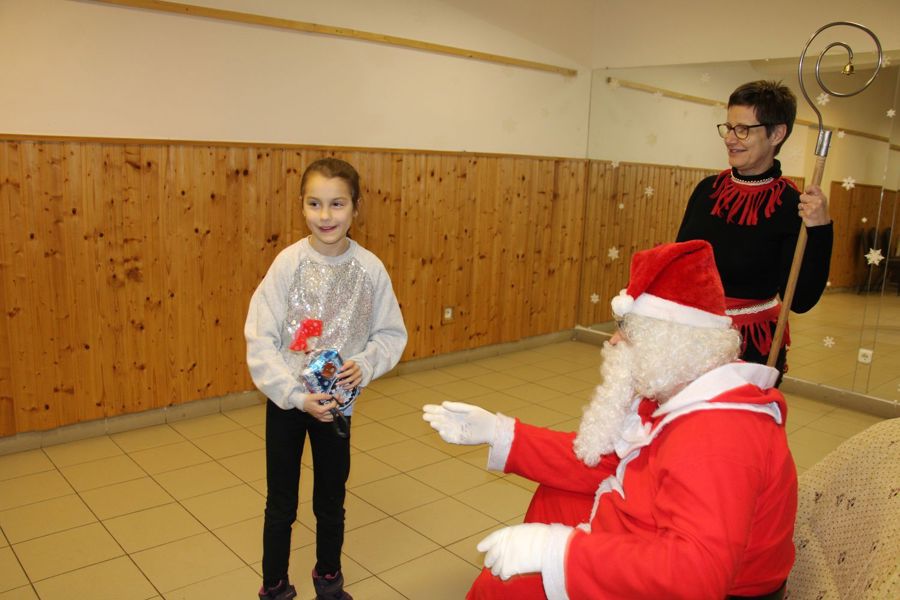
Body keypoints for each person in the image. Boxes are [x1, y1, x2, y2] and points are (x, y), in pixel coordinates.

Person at [424, 240, 797, 600]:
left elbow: (694, 576)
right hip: (664, 531)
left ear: (671, 343)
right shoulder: (680, 390)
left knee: (504, 587)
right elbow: (604, 461)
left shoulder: (716, 436)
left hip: (710, 585)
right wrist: (499, 432)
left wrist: (557, 552)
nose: (615, 341)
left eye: (628, 331)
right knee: (555, 498)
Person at [245, 158, 407, 600]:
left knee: (331, 500)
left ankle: (329, 579)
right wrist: (294, 395)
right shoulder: (288, 264)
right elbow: (260, 337)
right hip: (288, 405)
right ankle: (275, 586)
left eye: (337, 204)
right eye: (315, 203)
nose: (325, 215)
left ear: (356, 207)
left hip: (336, 408)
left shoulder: (370, 269)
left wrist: (366, 363)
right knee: (281, 502)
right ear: (301, 205)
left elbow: (391, 334)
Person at [676, 80, 833, 380]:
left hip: (750, 350)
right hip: (691, 339)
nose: (730, 139)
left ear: (776, 134)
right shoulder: (707, 190)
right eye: (729, 127)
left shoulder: (792, 205)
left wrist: (820, 230)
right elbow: (678, 266)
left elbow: (801, 300)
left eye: (743, 129)